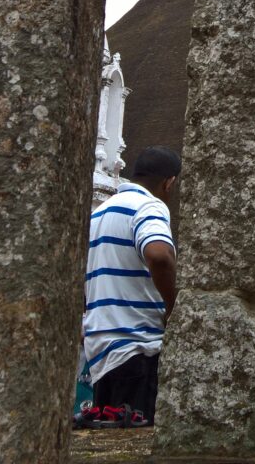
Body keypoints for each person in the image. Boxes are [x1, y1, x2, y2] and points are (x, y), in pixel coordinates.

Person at [83, 146, 181, 425]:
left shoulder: (98, 214)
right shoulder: (149, 206)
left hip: (101, 352)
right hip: (138, 348)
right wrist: (173, 306)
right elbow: (159, 256)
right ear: (168, 182)